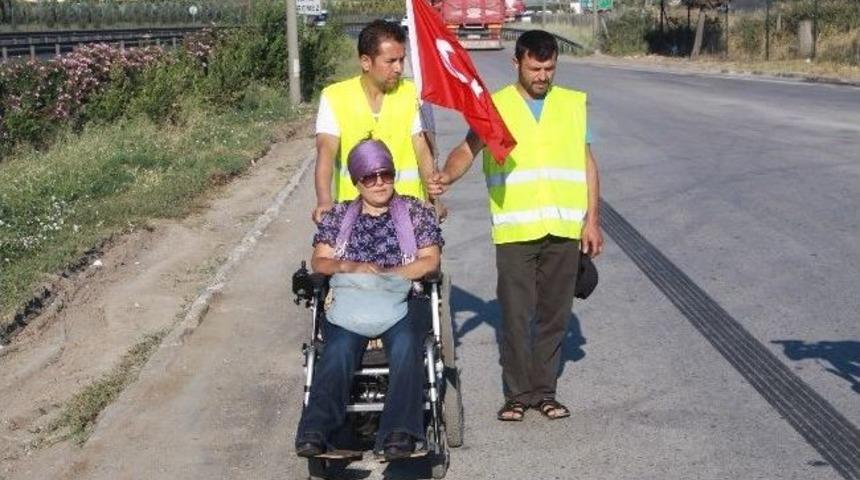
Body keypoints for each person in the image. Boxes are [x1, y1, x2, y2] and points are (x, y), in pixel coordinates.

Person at [429, 30, 604, 421]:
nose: (543, 76)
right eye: (535, 68)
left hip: (562, 230)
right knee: (515, 315)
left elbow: (587, 164)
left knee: (554, 315)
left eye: (549, 68)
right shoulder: (496, 106)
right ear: (517, 64)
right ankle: (517, 395)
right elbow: (466, 150)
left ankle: (545, 392)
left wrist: (592, 220)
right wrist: (446, 176)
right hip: (515, 232)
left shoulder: (573, 104)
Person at [295, 140, 443, 459]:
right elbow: (320, 262)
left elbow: (430, 261)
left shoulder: (416, 211)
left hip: (403, 297)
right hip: (351, 301)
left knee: (406, 343)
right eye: (369, 177)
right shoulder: (337, 216)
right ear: (356, 181)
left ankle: (399, 434)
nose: (379, 182)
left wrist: (390, 276)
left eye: (385, 174)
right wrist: (352, 266)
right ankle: (315, 433)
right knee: (336, 349)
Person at [312, 19, 437, 224]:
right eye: (390, 61)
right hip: (354, 215)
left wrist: (433, 201)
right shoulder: (335, 97)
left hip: (408, 213)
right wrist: (324, 201)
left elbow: (423, 150)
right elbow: (325, 151)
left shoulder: (413, 95)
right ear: (366, 62)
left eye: (401, 60)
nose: (398, 68)